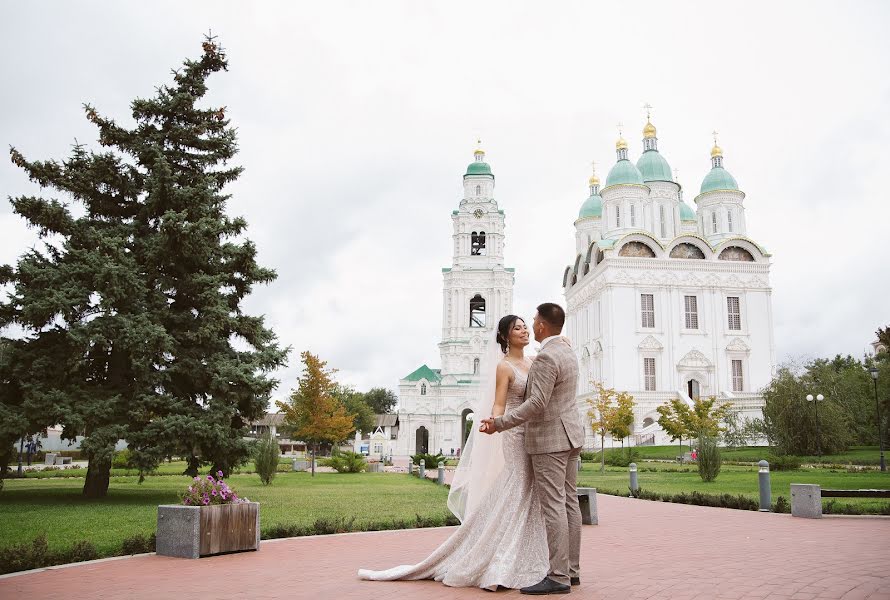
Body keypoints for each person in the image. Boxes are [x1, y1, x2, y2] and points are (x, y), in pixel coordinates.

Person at [358, 314, 549, 590]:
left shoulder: (533, 362)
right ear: (506, 336)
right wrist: (494, 422)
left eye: (525, 326)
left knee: (525, 490)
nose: (524, 331)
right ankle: (501, 560)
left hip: (535, 434)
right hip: (515, 434)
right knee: (519, 486)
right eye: (517, 328)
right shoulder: (504, 367)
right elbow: (499, 403)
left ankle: (519, 553)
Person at [480, 302, 584, 595]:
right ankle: (572, 571)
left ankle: (560, 576)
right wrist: (497, 417)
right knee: (568, 503)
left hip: (549, 438)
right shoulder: (566, 350)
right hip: (570, 435)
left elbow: (537, 403)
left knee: (554, 505)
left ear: (541, 326)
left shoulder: (545, 358)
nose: (528, 325)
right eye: (519, 326)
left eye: (532, 321)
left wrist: (499, 423)